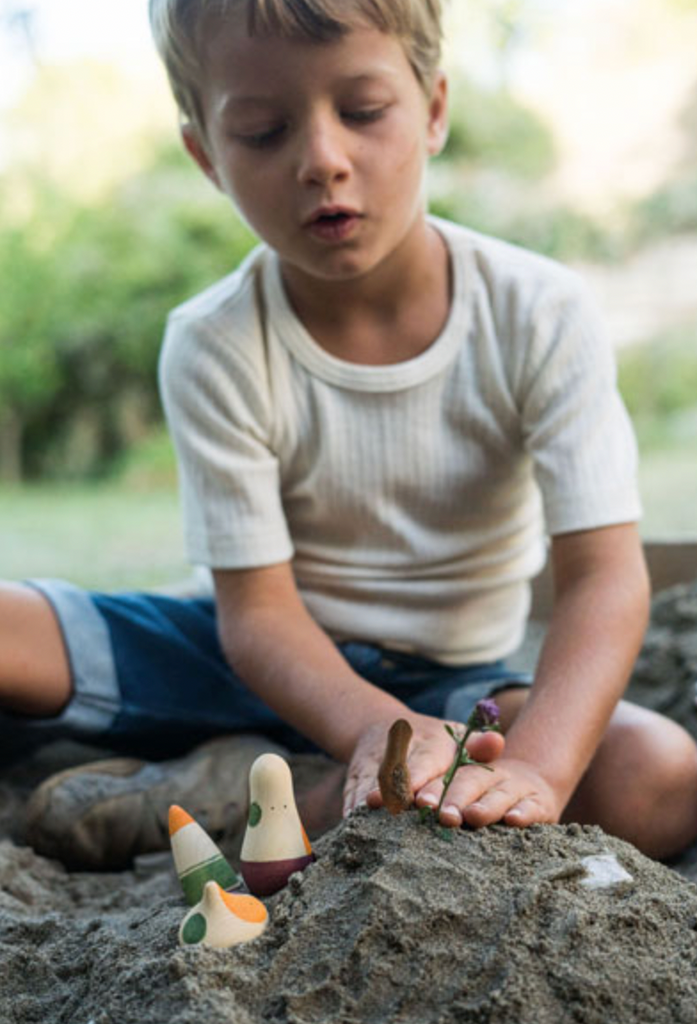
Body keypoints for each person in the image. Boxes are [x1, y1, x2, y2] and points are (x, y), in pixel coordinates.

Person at [2, 0, 697, 870]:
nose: (322, 160)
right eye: (261, 131)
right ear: (205, 156)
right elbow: (254, 617)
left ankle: (256, 795)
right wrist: (373, 724)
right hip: (247, 656)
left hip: (456, 687)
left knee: (656, 774)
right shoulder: (214, 339)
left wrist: (535, 775)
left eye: (363, 113)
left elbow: (602, 579)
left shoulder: (538, 312)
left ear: (434, 108)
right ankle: (308, 776)